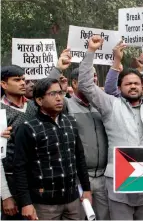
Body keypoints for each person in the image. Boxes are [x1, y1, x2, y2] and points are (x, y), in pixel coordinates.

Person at [78, 35, 143, 220]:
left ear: (142, 86)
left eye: (136, 83)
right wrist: (90, 51)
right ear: (120, 87)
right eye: (128, 84)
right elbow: (85, 84)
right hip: (118, 183)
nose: (133, 87)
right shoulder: (110, 105)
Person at [13, 78, 92, 220]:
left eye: (60, 93)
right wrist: (26, 203)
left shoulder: (70, 121)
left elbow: (79, 157)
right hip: (44, 205)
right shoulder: (27, 128)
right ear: (39, 100)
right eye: (52, 94)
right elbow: (20, 167)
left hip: (73, 200)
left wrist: (86, 189)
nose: (59, 98)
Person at [48, 51, 110, 220]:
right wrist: (57, 69)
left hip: (104, 177)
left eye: (95, 77)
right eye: (89, 77)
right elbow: (47, 91)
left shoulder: (103, 106)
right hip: (79, 178)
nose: (94, 80)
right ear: (74, 83)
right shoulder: (66, 105)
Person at [1, 65, 37, 220]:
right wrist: (5, 195)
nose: (23, 83)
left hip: (37, 181)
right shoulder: (0, 112)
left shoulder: (35, 106)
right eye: (17, 80)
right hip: (12, 183)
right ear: (3, 84)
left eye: (23, 79)